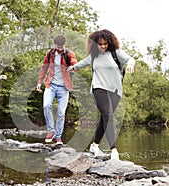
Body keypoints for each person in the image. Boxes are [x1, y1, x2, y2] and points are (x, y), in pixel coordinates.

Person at [68, 29, 135, 159]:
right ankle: (114, 150)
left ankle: (94, 145)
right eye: (100, 44)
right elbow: (82, 63)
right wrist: (73, 67)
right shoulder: (94, 56)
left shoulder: (116, 53)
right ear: (95, 44)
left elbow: (130, 59)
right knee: (107, 114)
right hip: (98, 88)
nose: (103, 46)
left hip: (115, 91)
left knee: (105, 118)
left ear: (109, 42)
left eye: (105, 44)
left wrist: (130, 65)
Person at [36, 35, 77, 145]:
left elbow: (74, 63)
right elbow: (44, 67)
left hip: (64, 88)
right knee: (46, 105)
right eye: (58, 46)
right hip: (51, 85)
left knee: (61, 112)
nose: (59, 49)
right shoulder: (50, 53)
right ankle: (51, 131)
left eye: (61, 47)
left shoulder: (69, 54)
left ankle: (58, 137)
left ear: (64, 45)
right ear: (55, 45)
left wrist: (73, 67)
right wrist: (39, 82)